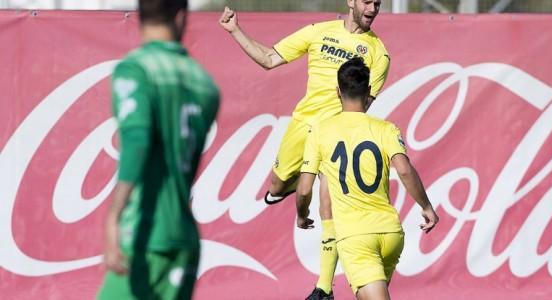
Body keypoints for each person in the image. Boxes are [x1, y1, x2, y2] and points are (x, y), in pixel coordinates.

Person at [219, 1, 389, 298]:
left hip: (335, 134)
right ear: (350, 1)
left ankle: (323, 288)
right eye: (367, 1)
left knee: (328, 202)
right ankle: (293, 185)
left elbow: (363, 106)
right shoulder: (318, 32)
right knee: (276, 186)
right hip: (302, 127)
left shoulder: (379, 53)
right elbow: (270, 58)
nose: (373, 8)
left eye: (378, 2)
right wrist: (235, 30)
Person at [98, 0, 220, 298]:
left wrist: (114, 215)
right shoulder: (205, 83)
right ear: (180, 17)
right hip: (184, 239)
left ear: (139, 15)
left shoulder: (135, 69)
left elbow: (137, 140)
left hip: (144, 234)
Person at [296, 57, 439, 300]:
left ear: (337, 91)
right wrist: (426, 206)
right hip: (391, 234)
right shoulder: (386, 128)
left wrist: (301, 213)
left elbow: (305, 188)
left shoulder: (321, 131)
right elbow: (404, 169)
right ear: (369, 91)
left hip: (356, 238)